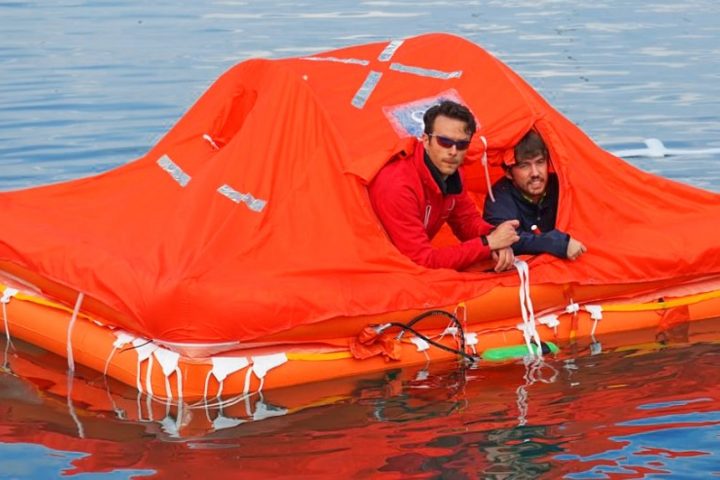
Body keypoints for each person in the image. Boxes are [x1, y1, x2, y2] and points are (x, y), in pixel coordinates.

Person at [368, 100, 519, 272]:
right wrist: (488, 243)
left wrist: (495, 236)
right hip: (374, 267)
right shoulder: (398, 185)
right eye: (444, 142)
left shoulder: (454, 172)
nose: (453, 151)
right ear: (425, 140)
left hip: (406, 262)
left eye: (461, 144)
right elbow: (421, 261)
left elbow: (466, 220)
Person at [483, 130, 587, 260]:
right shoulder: (498, 196)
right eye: (524, 165)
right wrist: (558, 243)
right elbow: (503, 239)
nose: (535, 173)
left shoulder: (564, 186)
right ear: (509, 173)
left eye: (540, 162)